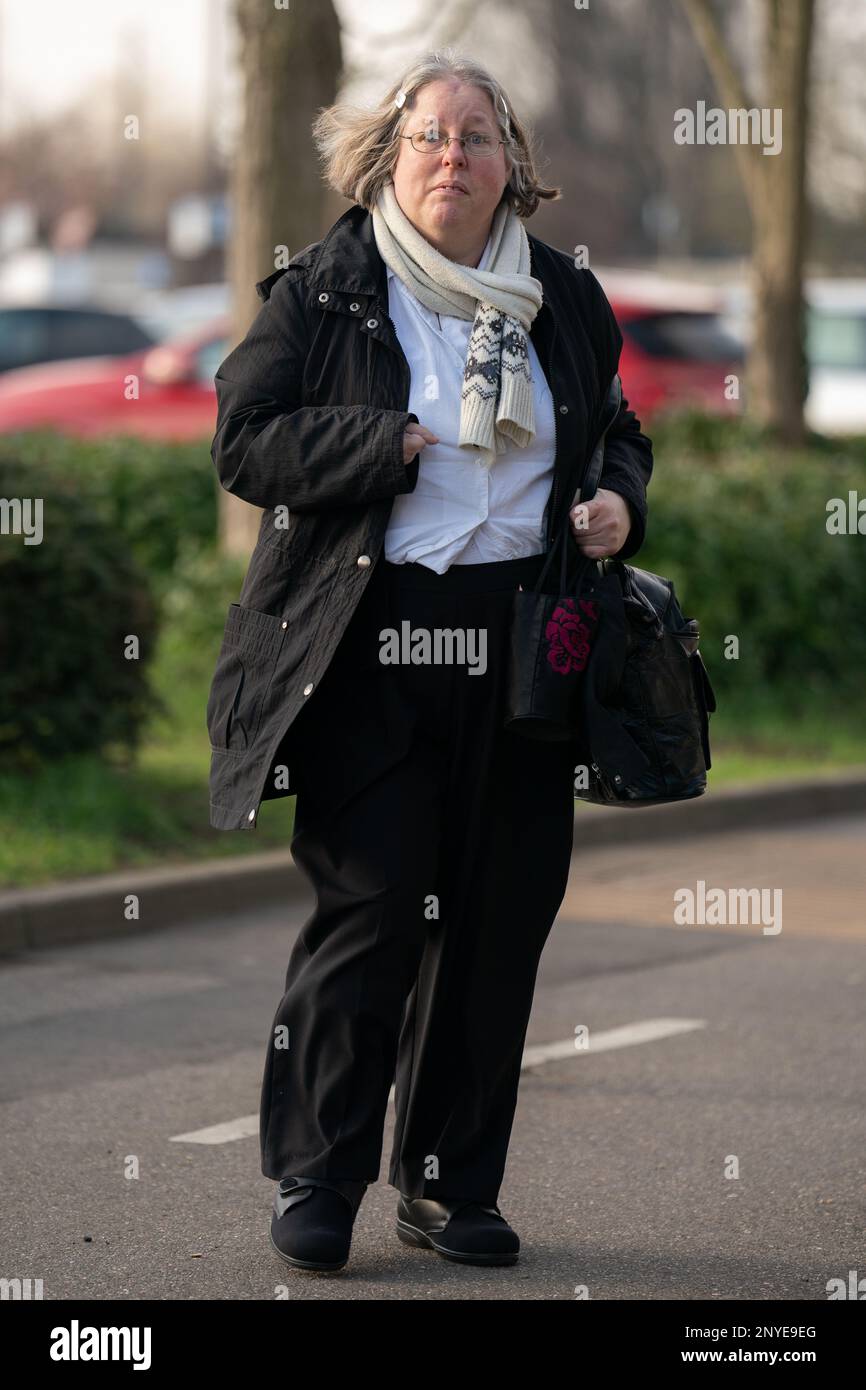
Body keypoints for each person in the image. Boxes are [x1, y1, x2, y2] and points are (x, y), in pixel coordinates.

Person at [206, 49, 653, 1273]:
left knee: (498, 919)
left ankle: (451, 1186)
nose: (450, 156)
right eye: (427, 137)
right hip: (367, 644)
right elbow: (244, 440)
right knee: (374, 909)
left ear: (514, 166)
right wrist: (379, 445)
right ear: (387, 158)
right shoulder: (329, 288)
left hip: (524, 649)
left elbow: (613, 428)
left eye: (475, 136)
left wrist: (616, 498)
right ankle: (320, 1172)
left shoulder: (562, 296)